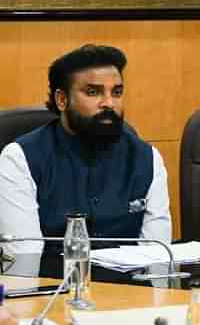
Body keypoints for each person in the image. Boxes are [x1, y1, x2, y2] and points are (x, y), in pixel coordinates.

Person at [0, 44, 171, 254]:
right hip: (54, 284)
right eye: (93, 92)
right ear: (62, 100)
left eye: (116, 92)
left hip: (131, 285)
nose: (109, 103)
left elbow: (158, 253)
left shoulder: (147, 158)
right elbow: (24, 257)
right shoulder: (20, 159)